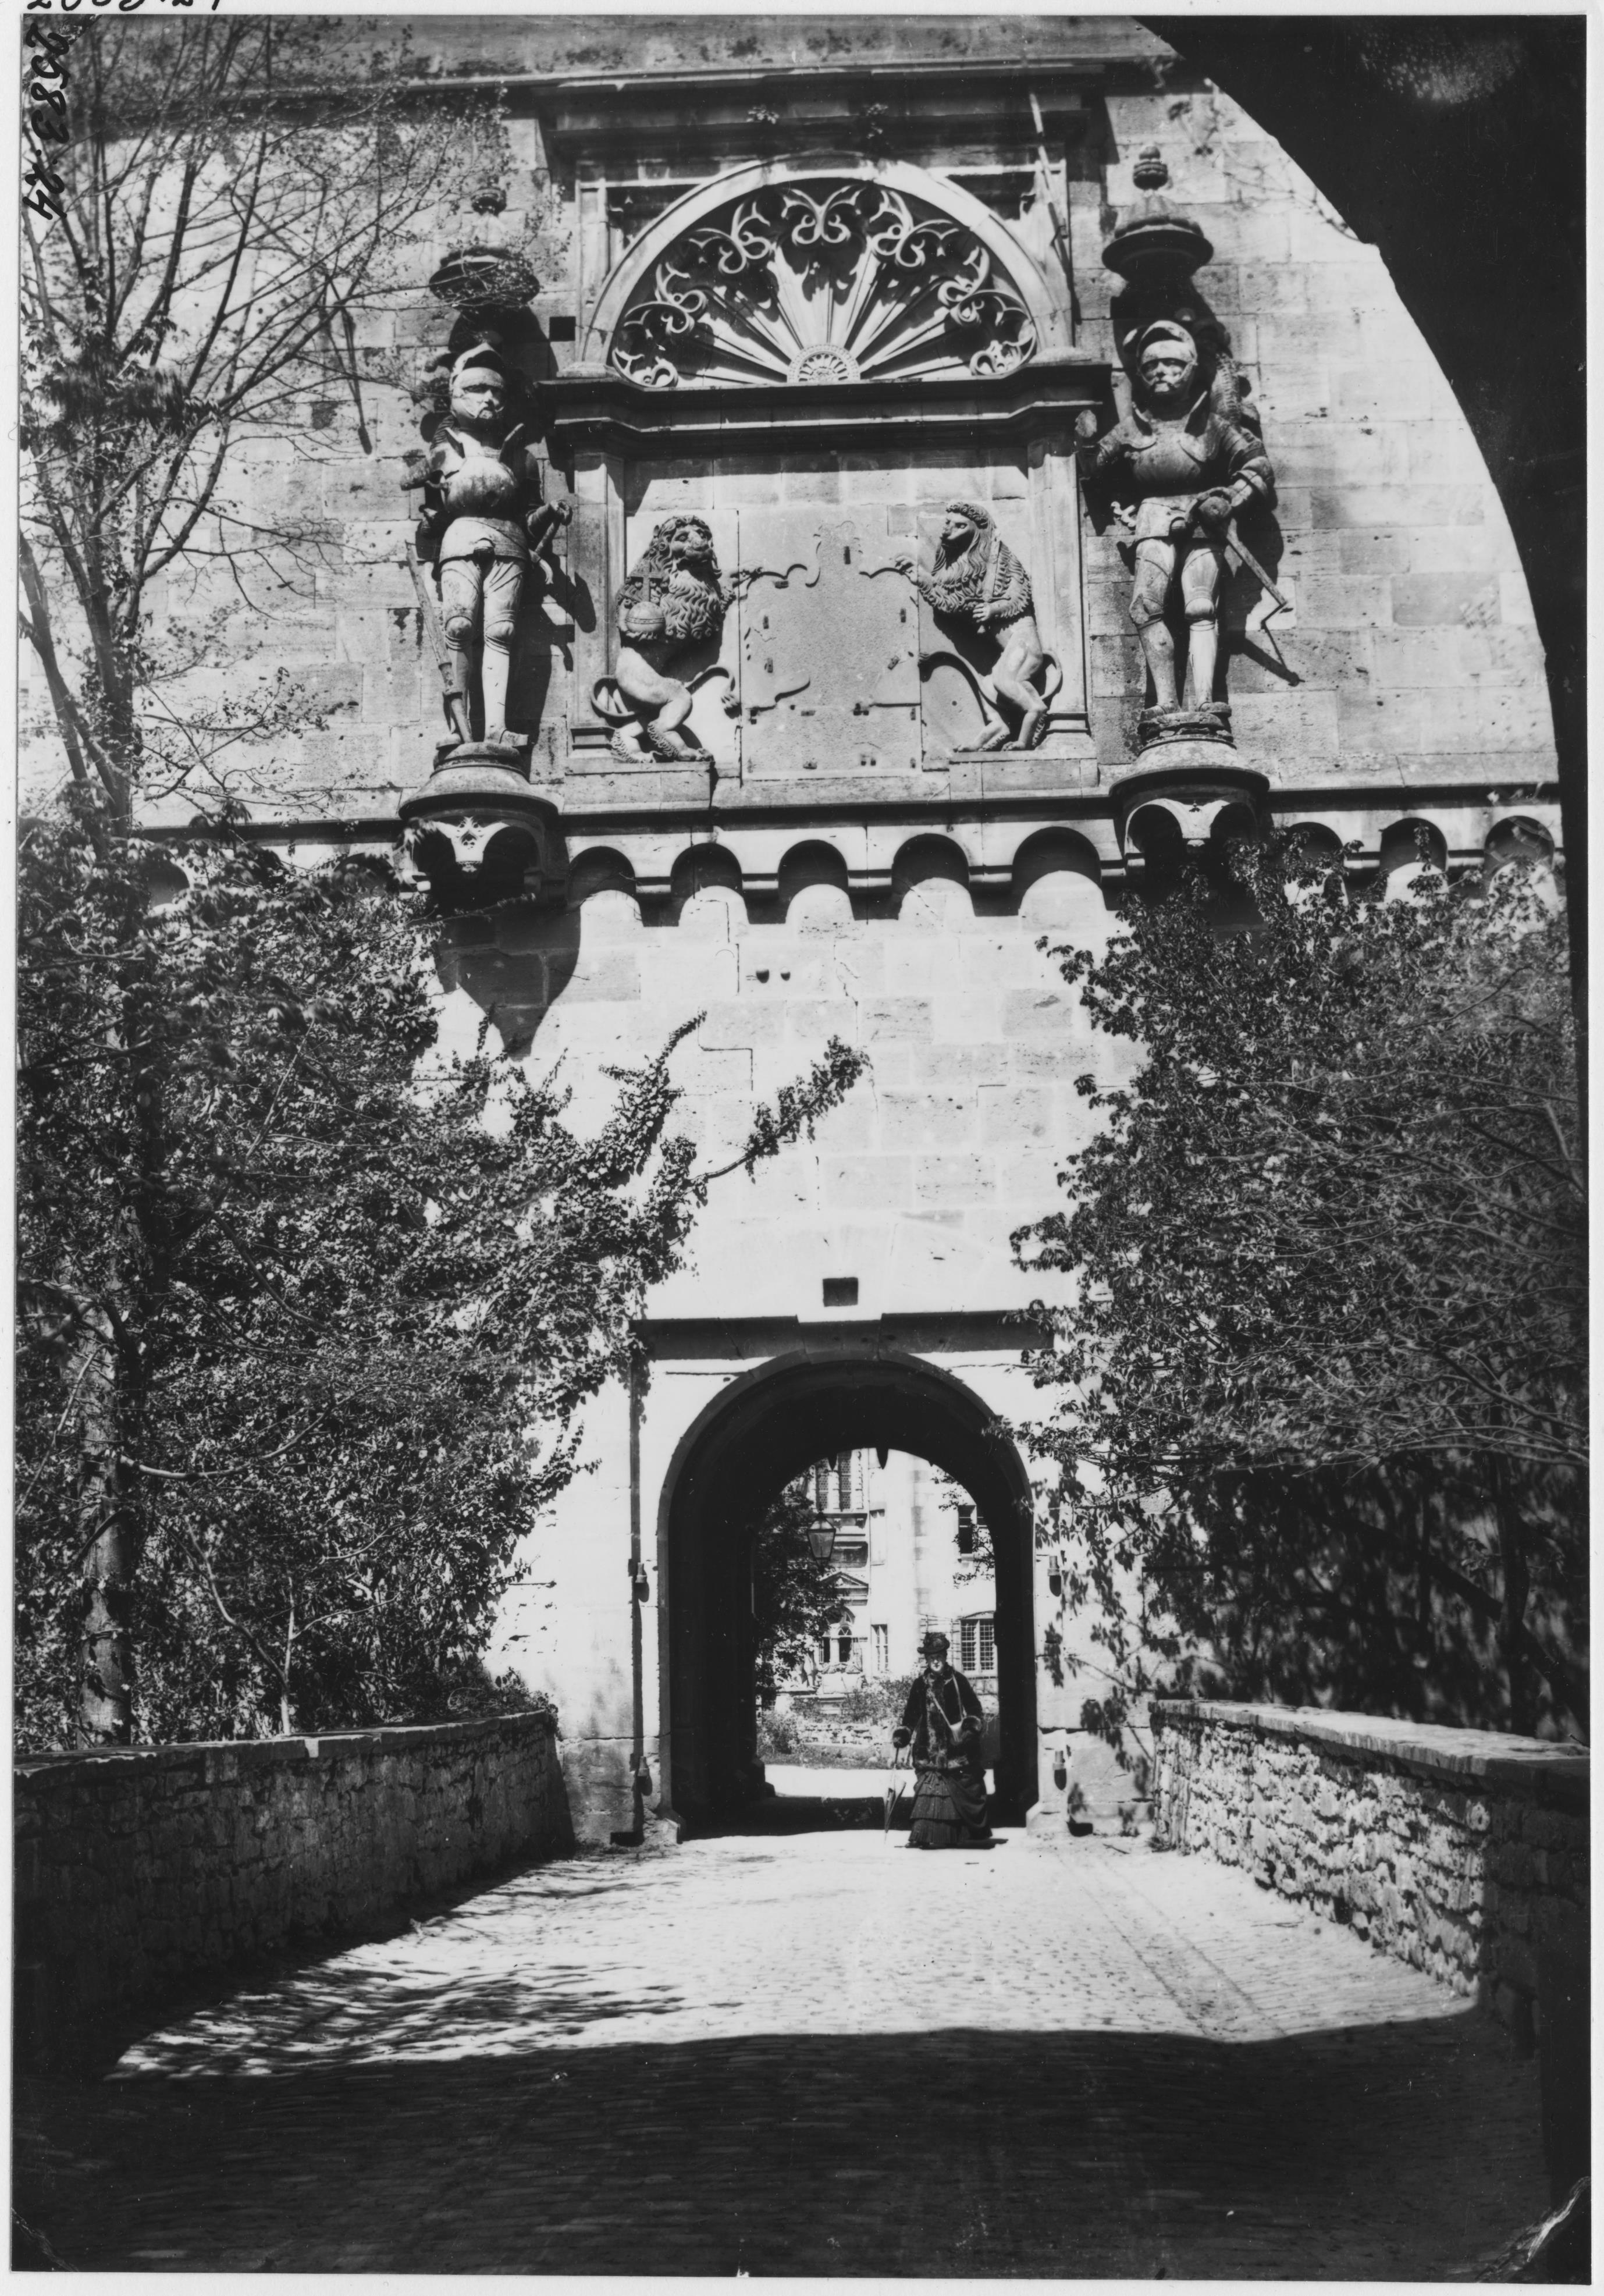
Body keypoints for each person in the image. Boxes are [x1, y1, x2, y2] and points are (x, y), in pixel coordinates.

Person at [1075, 318, 1274, 723]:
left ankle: (1205, 702)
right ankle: (1165, 700)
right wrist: (1086, 441)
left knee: (1200, 607)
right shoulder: (1130, 429)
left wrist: (1228, 500)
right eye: (1151, 366)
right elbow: (1093, 469)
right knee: (1144, 608)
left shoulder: (1213, 426)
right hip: (1152, 519)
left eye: (1171, 364)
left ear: (1190, 369)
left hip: (1203, 519)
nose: (1160, 372)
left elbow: (1258, 467)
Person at [411, 342, 570, 755]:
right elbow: (431, 517)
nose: (489, 399)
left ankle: (497, 728)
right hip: (461, 538)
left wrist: (549, 512)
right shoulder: (441, 453)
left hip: (508, 543)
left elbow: (529, 519)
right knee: (458, 628)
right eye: (477, 389)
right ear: (455, 394)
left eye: (497, 392)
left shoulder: (521, 457)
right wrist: (430, 518)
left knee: (502, 631)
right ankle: (458, 726)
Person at [892, 1631, 996, 1849]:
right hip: (928, 1750)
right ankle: (923, 1835)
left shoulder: (958, 1681)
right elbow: (911, 1715)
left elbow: (974, 1708)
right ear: (927, 1660)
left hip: (955, 1750)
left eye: (939, 1656)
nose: (936, 1661)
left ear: (945, 1657)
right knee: (928, 1791)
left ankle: (959, 1835)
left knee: (962, 1791)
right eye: (931, 1658)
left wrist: (970, 1728)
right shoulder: (920, 1684)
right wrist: (903, 1733)